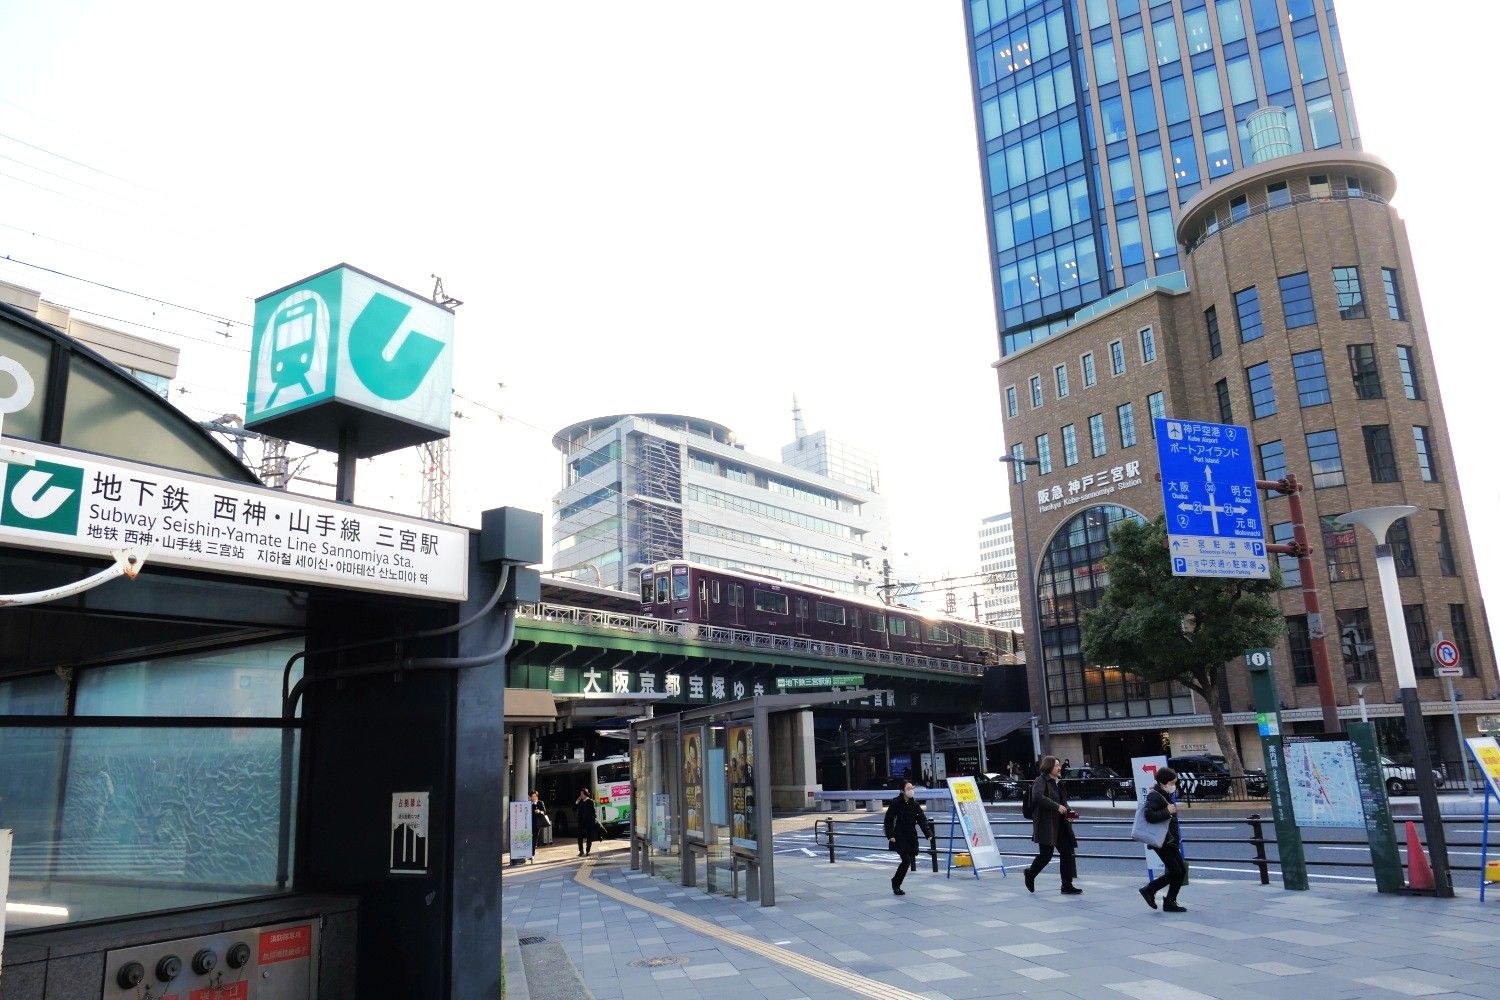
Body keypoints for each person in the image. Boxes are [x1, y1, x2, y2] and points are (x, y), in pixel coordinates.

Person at [1024, 755, 1081, 895]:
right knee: (1046, 855)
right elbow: (1037, 797)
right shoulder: (1040, 780)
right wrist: (1056, 806)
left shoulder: (1058, 783)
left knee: (1067, 854)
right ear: (1049, 767)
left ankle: (1066, 885)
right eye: (1056, 765)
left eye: (1059, 765)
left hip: (1061, 824)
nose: (1059, 767)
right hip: (1046, 825)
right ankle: (1030, 874)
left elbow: (1064, 803)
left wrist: (1071, 814)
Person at [1139, 767, 1188, 912]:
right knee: (1175, 871)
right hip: (1162, 841)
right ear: (1163, 782)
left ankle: (1169, 901)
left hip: (1169, 839)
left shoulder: (1164, 793)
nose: (1174, 786)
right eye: (1172, 783)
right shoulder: (1155, 795)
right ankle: (1150, 890)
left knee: (1180, 870)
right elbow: (1149, 816)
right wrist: (1167, 811)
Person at [884, 781, 934, 896]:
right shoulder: (896, 803)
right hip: (899, 836)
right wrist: (890, 835)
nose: (911, 790)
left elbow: (922, 819)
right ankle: (896, 884)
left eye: (912, 788)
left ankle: (895, 881)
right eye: (908, 788)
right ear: (902, 791)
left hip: (911, 836)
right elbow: (888, 820)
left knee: (908, 861)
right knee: (906, 861)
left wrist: (928, 833)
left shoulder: (914, 804)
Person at [574, 788, 598, 857]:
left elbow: (594, 813)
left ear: (585, 794)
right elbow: (574, 809)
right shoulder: (580, 802)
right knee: (580, 836)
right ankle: (581, 851)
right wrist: (576, 802)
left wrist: (592, 820)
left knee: (589, 837)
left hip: (589, 822)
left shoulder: (590, 802)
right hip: (581, 822)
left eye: (581, 794)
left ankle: (588, 851)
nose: (580, 795)